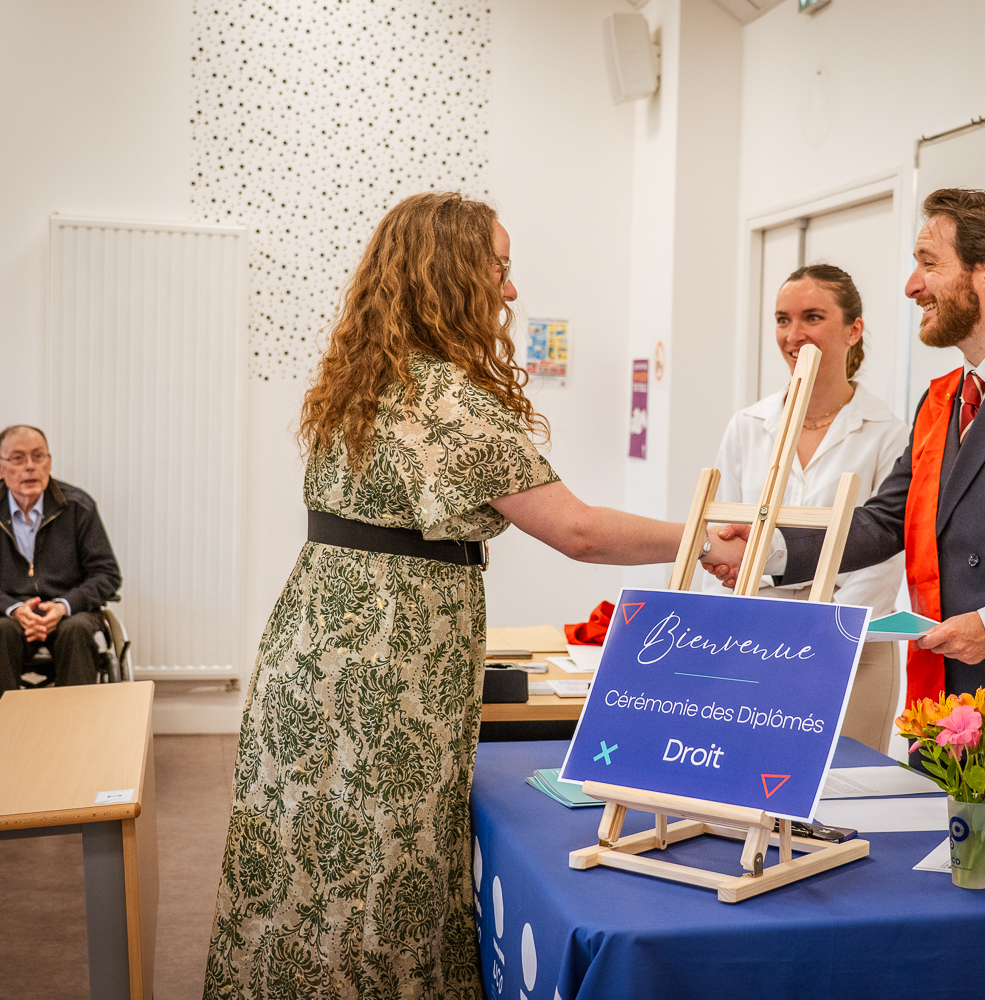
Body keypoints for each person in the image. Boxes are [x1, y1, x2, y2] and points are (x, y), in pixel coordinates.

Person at [204, 192, 715, 999]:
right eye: (498, 268)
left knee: (309, 862)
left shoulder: (363, 380)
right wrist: (706, 536)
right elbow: (578, 531)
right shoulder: (446, 399)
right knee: (384, 872)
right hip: (386, 667)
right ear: (450, 275)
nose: (509, 290)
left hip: (314, 648)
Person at [705, 189, 985, 850]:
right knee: (939, 892)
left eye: (928, 263)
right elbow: (884, 521)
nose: (912, 286)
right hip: (938, 706)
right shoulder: (940, 399)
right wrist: (769, 550)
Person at [703, 264, 909, 753]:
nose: (793, 335)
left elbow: (885, 549)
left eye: (812, 317)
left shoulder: (888, 432)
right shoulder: (747, 425)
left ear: (853, 330)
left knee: (844, 784)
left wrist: (824, 633)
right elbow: (722, 532)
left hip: (852, 642)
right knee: (748, 773)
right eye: (782, 319)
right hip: (755, 636)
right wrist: (725, 627)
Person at [0, 425, 122, 713]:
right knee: (2, 631)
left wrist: (64, 606)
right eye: (18, 458)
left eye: (38, 457)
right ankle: (6, 731)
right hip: (3, 613)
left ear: (49, 462)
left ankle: (74, 729)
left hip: (68, 611)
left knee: (77, 630)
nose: (30, 466)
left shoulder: (78, 507)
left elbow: (107, 574)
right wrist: (12, 608)